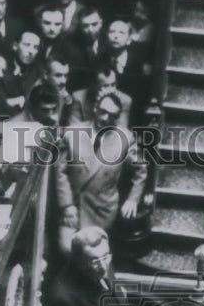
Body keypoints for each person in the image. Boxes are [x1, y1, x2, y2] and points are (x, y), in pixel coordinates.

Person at [55, 92, 148, 236]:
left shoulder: (124, 139)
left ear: (117, 117)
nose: (105, 118)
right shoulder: (72, 133)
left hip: (101, 210)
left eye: (112, 115)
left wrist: (132, 200)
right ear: (95, 109)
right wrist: (67, 205)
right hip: (74, 207)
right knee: (66, 249)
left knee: (96, 252)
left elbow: (141, 169)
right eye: (103, 112)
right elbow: (60, 171)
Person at [105, 17, 152, 125]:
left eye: (121, 33)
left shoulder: (138, 64)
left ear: (129, 39)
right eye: (112, 32)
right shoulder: (101, 61)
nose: (116, 36)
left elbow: (141, 100)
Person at [69, 61, 132, 128]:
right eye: (105, 86)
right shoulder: (78, 98)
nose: (111, 90)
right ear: (94, 86)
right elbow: (74, 130)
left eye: (113, 85)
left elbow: (121, 132)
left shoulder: (125, 100)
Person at [3, 30, 42, 108]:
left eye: (35, 47)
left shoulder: (38, 73)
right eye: (27, 45)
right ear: (15, 46)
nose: (31, 51)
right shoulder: (2, 69)